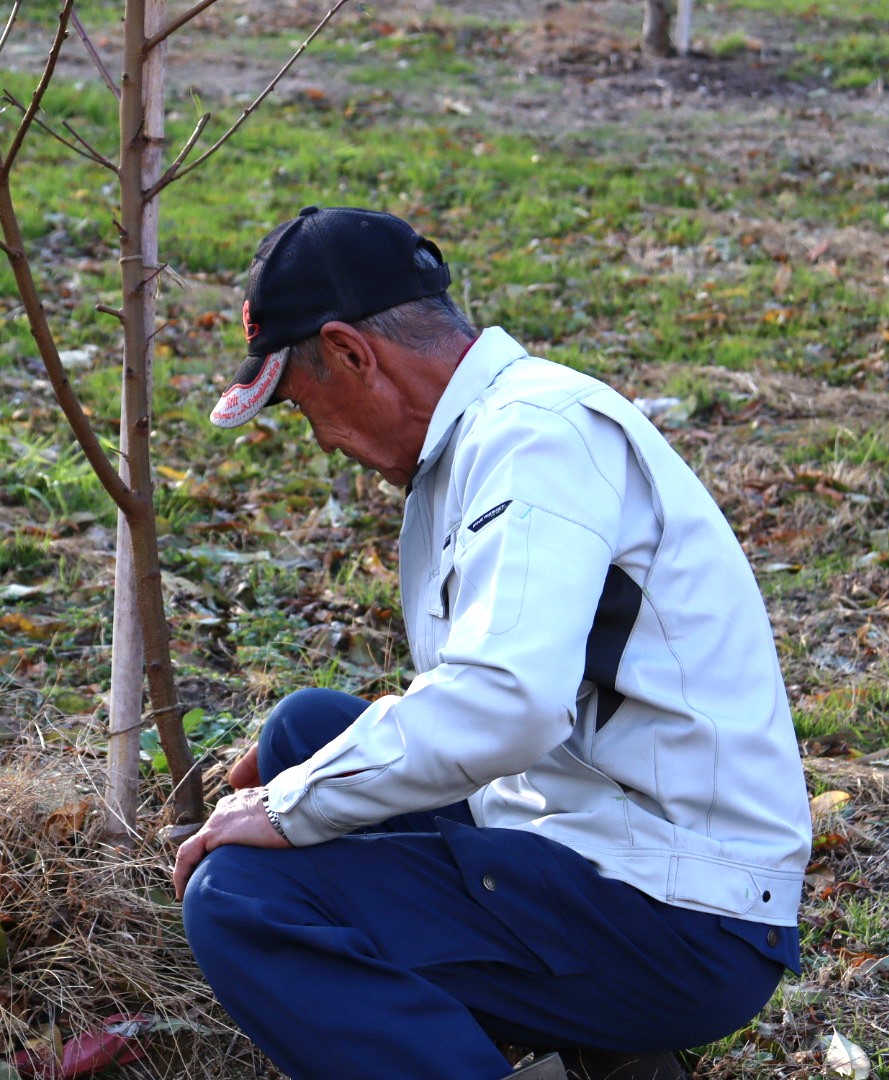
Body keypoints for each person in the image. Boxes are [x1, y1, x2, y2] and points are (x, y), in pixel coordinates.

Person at [173, 206, 811, 1080]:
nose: (320, 439)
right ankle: (603, 1056)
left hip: (686, 912)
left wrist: (291, 808)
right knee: (306, 732)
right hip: (605, 835)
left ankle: (593, 1033)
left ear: (351, 354)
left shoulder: (534, 439)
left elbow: (508, 702)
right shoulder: (487, 434)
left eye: (301, 405)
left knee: (244, 902)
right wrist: (316, 775)